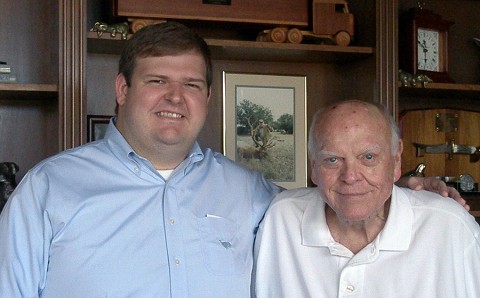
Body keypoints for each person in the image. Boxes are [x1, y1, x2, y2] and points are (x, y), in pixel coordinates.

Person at [0, 23, 466, 297]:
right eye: (157, 81)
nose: (175, 98)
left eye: (192, 85)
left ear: (207, 97)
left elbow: (342, 192)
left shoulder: (254, 194)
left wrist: (404, 190)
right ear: (122, 90)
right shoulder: (48, 190)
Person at [253, 100, 480, 297]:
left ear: (396, 158)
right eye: (332, 160)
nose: (350, 177)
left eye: (368, 157)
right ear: (314, 164)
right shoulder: (280, 220)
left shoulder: (450, 227)